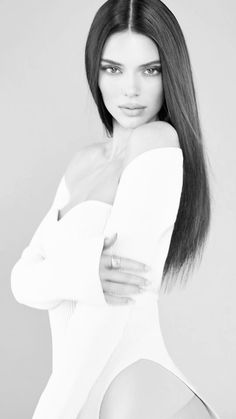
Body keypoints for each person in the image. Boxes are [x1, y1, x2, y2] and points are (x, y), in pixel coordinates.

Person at [10, 0, 221, 418]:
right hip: (95, 396)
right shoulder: (83, 163)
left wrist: (52, 413)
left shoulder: (157, 143)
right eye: (113, 68)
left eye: (150, 70)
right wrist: (84, 272)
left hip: (141, 396)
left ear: (170, 74)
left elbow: (107, 311)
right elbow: (21, 280)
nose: (130, 89)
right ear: (96, 72)